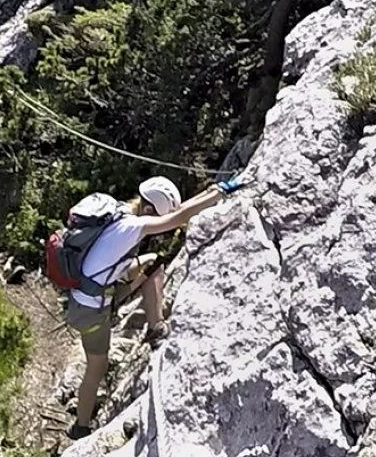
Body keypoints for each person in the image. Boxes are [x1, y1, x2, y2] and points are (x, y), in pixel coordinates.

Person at [64, 173, 245, 439]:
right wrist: (219, 195)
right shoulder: (132, 227)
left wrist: (212, 191)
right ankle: (80, 428)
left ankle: (155, 327)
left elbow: (176, 213)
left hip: (87, 292)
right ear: (149, 208)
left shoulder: (119, 211)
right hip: (90, 309)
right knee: (96, 367)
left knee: (153, 264)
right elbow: (178, 218)